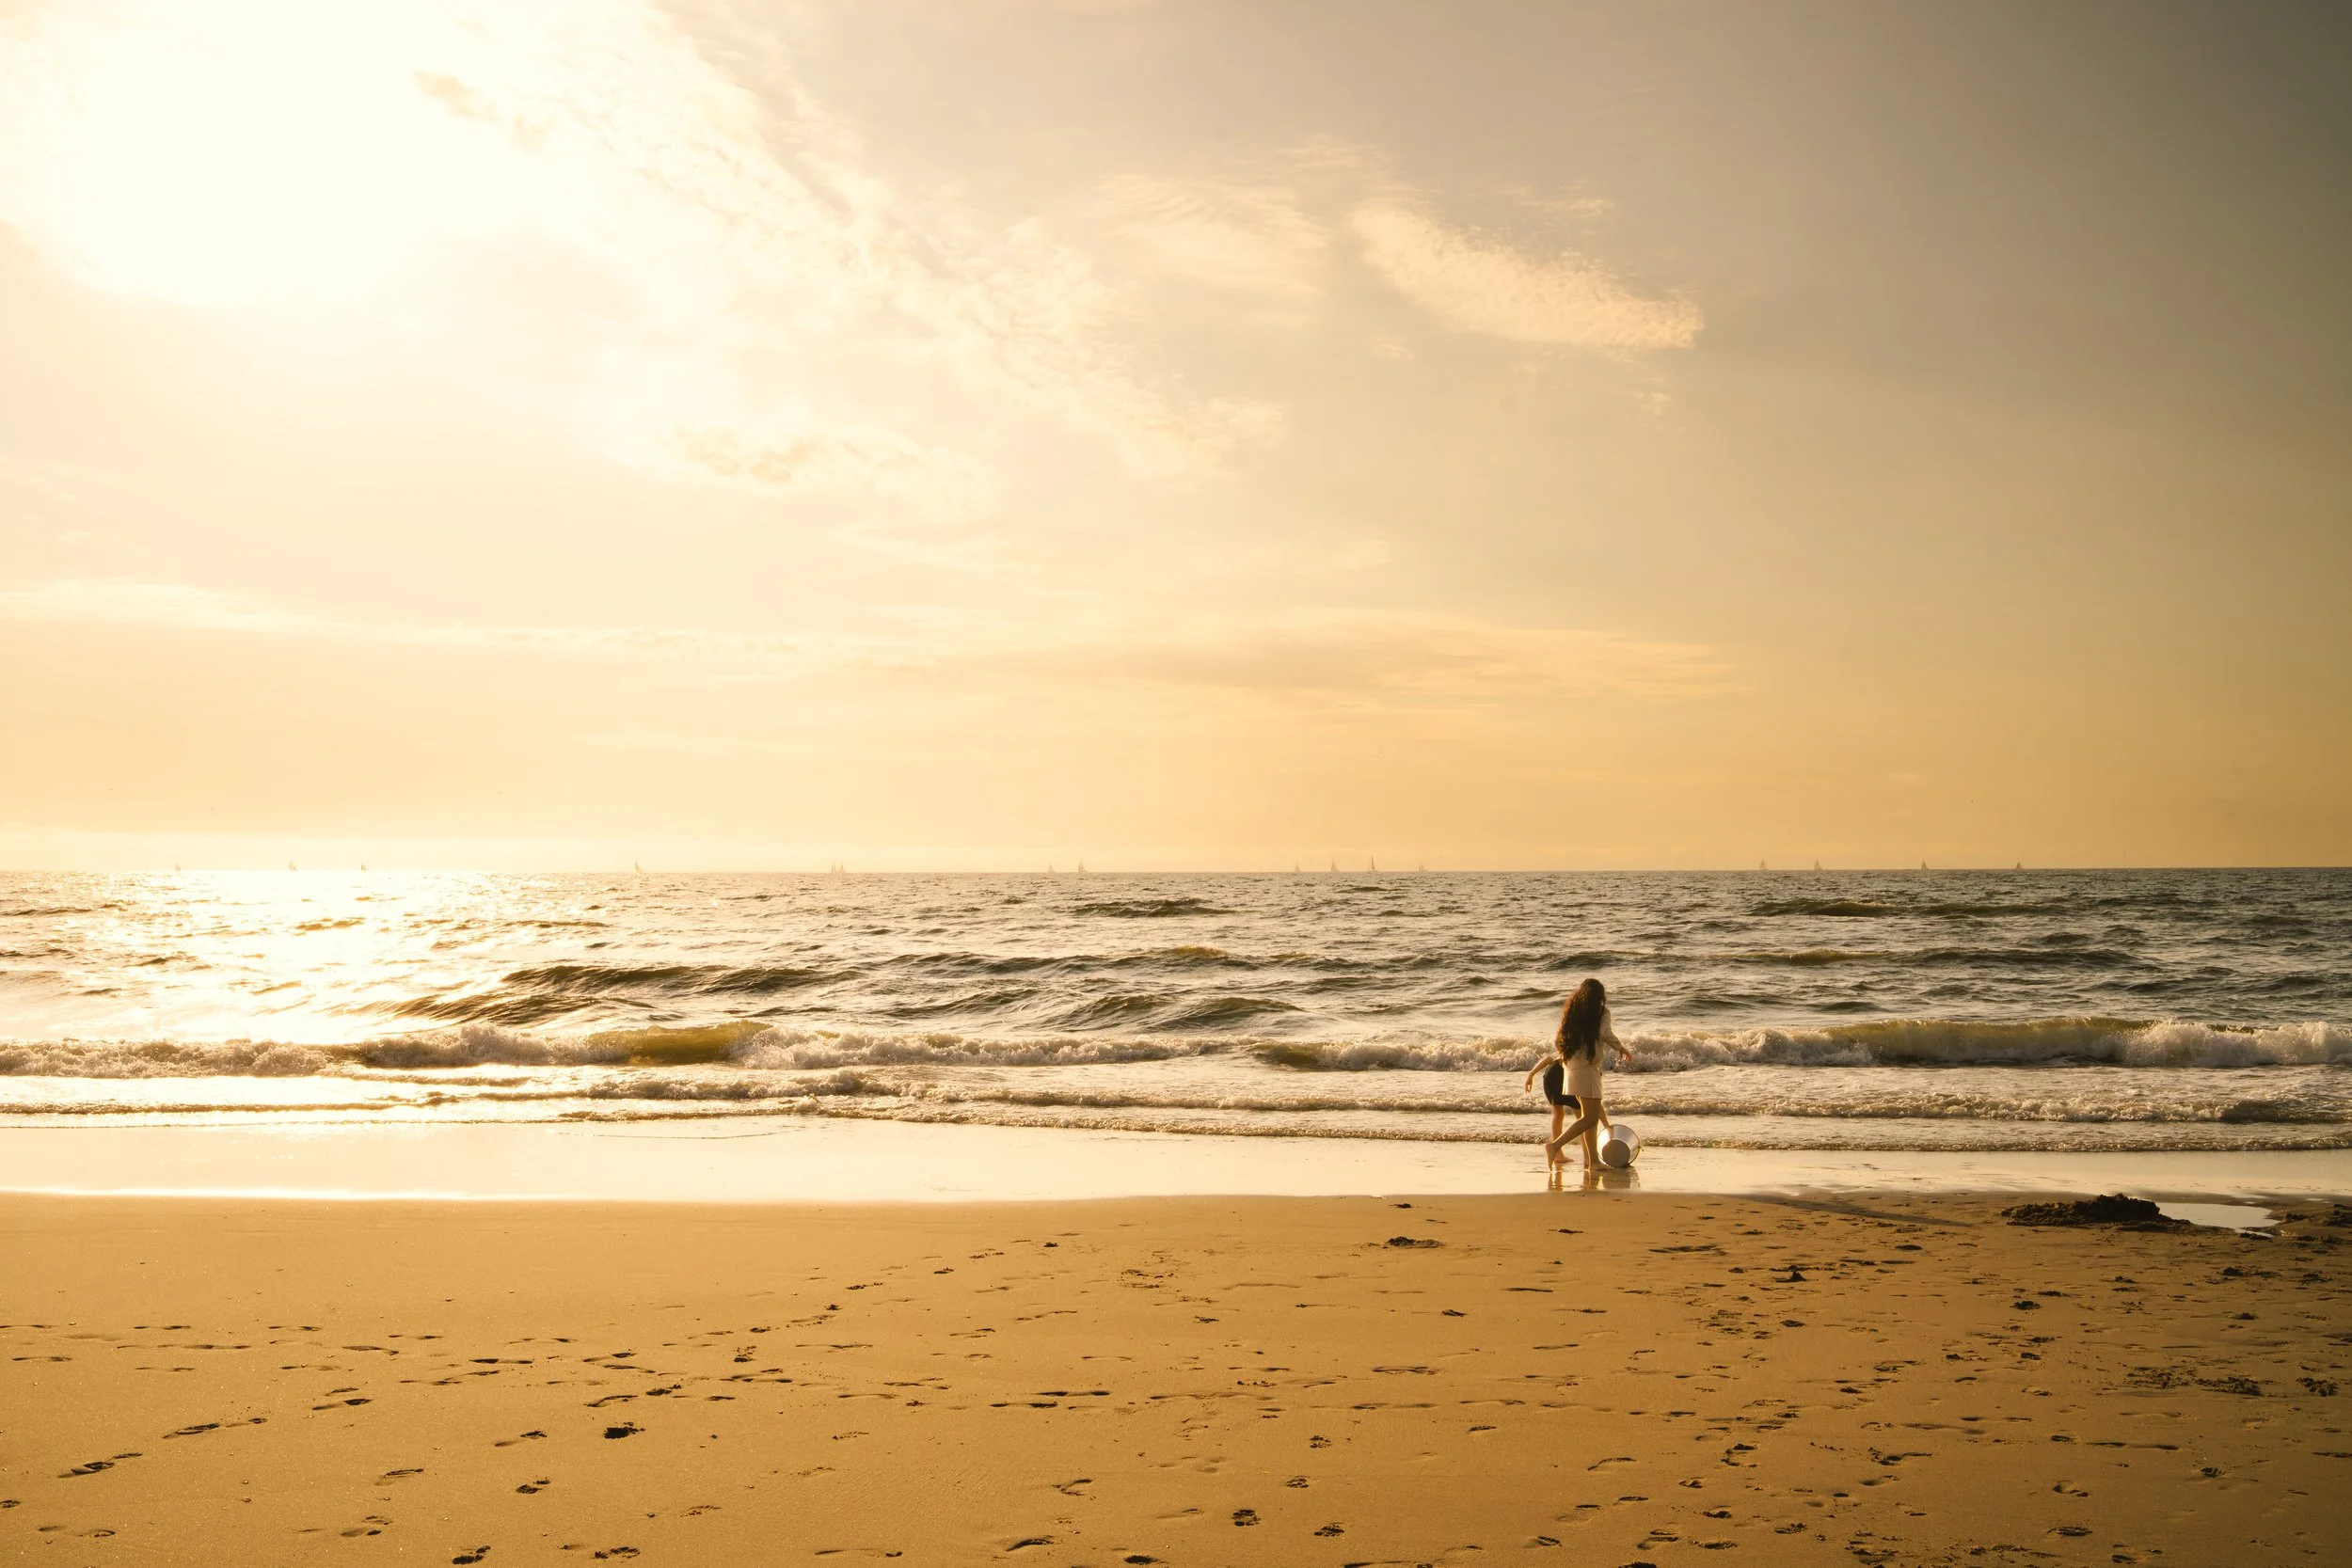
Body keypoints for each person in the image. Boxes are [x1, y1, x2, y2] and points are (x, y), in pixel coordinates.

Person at [1523, 977, 1619, 1173]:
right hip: (1585, 1069)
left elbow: (1558, 1041)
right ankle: (1555, 1145)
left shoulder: (1574, 1013)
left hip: (1572, 1068)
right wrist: (1621, 1047)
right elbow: (1606, 1033)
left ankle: (1592, 1162)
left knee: (1586, 1116)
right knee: (1588, 1118)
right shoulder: (1600, 1014)